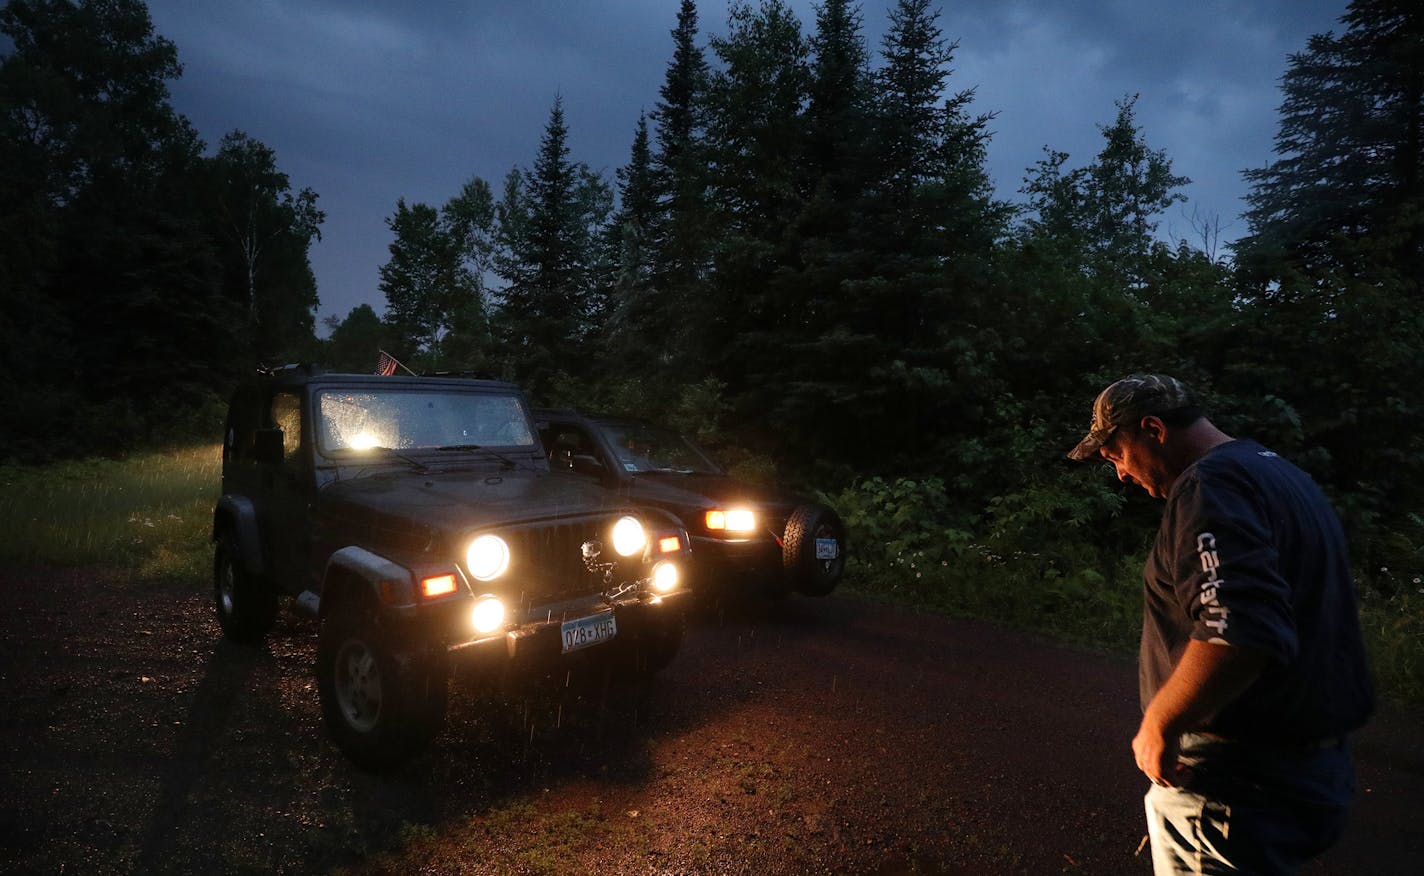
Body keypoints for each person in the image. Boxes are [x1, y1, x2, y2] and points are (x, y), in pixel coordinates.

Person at [1066, 374, 1374, 875]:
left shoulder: (1209, 486)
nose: (1120, 473)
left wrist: (1162, 722)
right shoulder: (1278, 473)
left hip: (1235, 784)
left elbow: (1237, 628)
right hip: (1313, 765)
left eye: (1116, 454)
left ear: (1152, 429)